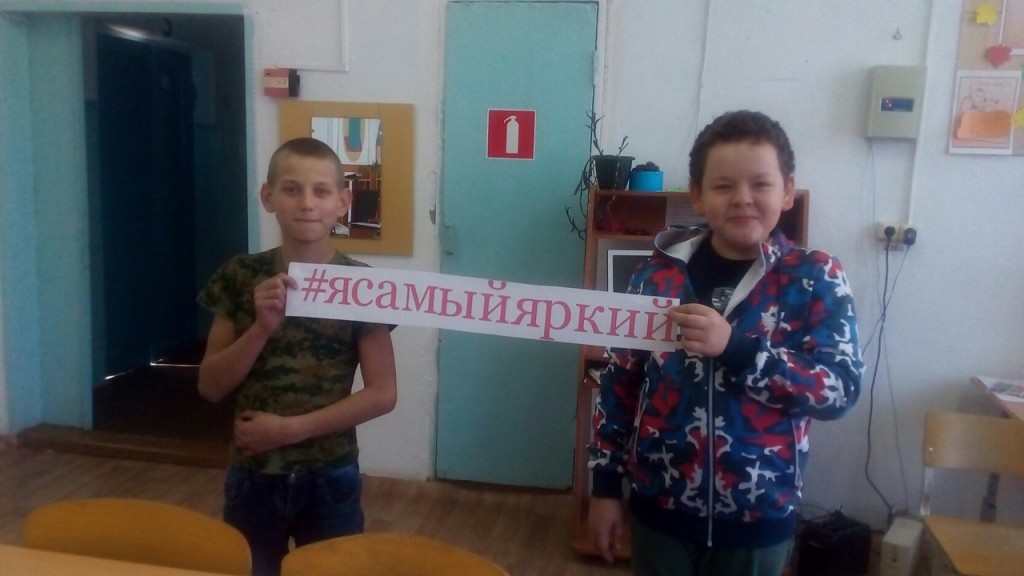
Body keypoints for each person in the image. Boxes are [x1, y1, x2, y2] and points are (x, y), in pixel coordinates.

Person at [587, 110, 863, 576]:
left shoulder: (816, 277)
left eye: (761, 184)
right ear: (697, 194)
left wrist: (737, 349)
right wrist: (605, 488)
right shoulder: (654, 275)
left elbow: (839, 390)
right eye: (723, 186)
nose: (743, 199)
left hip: (759, 522)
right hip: (659, 512)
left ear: (787, 191)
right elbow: (620, 383)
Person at [197, 137, 398, 576]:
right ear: (268, 197)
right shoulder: (239, 276)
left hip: (331, 475)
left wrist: (289, 430)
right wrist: (261, 328)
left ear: (343, 202)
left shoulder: (362, 287)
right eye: (291, 189)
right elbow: (210, 386)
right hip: (253, 474)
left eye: (321, 191)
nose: (306, 203)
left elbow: (383, 393)